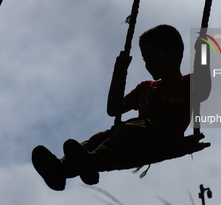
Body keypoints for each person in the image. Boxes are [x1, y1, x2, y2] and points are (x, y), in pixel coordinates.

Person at [32, 24, 191, 191]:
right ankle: (62, 169)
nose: (148, 64)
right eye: (145, 59)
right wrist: (119, 71)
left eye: (152, 57)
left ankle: (94, 162)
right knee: (102, 137)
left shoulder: (189, 82)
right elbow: (113, 109)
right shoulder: (146, 87)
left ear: (173, 55)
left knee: (126, 132)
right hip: (140, 131)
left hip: (164, 133)